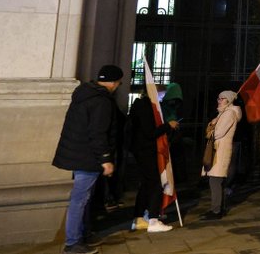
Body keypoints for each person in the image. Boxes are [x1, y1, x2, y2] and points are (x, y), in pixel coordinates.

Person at [52, 64, 123, 254]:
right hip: (88, 157)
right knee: (80, 199)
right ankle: (73, 243)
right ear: (115, 83)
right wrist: (106, 158)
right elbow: (98, 132)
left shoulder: (84, 94)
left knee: (83, 197)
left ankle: (81, 235)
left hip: (79, 154)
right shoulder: (101, 101)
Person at [128, 88, 178, 232]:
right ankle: (153, 219)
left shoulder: (141, 105)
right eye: (161, 92)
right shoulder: (146, 107)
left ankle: (138, 218)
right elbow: (150, 132)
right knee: (156, 183)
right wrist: (168, 126)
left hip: (142, 149)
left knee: (146, 184)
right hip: (146, 150)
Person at [201, 90, 242, 219]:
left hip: (221, 150)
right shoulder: (223, 113)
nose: (219, 100)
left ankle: (216, 210)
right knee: (218, 181)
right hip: (218, 149)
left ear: (228, 100)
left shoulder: (229, 114)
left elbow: (218, 133)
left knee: (215, 180)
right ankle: (219, 208)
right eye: (218, 98)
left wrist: (211, 129)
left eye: (222, 98)